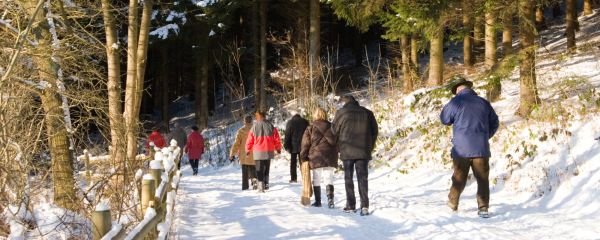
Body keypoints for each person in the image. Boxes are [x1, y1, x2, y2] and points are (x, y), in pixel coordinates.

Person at [440, 77, 499, 218]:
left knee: (459, 177)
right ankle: (483, 208)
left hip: (461, 149)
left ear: (458, 90)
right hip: (481, 148)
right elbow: (495, 122)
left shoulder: (456, 102)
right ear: (469, 88)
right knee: (483, 179)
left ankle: (453, 203)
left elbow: (444, 119)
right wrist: (485, 136)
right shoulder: (484, 103)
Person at [332, 95, 378, 216]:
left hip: (347, 150)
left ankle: (351, 205)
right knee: (362, 178)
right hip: (363, 150)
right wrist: (369, 147)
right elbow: (374, 132)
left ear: (345, 103)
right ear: (355, 102)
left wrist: (338, 146)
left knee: (348, 178)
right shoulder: (367, 113)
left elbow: (333, 131)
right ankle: (364, 206)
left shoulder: (341, 113)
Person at [300, 108, 338, 208]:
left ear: (315, 115)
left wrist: (303, 157)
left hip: (316, 156)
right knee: (328, 178)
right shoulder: (332, 126)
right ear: (325, 115)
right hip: (330, 156)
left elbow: (305, 143)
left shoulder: (311, 127)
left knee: (316, 179)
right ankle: (330, 200)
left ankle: (318, 201)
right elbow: (336, 141)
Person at [246, 111, 282, 192]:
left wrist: (248, 149)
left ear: (258, 116)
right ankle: (266, 184)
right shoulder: (270, 125)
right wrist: (278, 148)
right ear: (264, 116)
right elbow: (276, 138)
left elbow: (250, 139)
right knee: (266, 168)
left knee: (259, 169)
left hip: (258, 151)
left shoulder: (254, 126)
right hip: (268, 151)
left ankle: (261, 187)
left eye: (256, 116)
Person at [230, 116, 258, 190]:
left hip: (244, 154)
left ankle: (245, 187)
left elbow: (236, 143)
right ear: (251, 121)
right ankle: (254, 180)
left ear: (244, 121)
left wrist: (232, 154)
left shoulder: (241, 130)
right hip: (254, 153)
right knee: (253, 169)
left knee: (244, 172)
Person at [284, 111, 309, 183]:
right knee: (303, 162)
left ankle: (293, 178)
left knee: (293, 163)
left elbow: (287, 135)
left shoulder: (290, 122)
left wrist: (287, 146)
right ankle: (305, 177)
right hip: (304, 145)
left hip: (293, 146)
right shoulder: (305, 121)